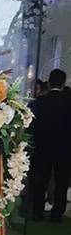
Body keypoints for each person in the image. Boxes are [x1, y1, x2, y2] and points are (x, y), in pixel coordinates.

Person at [31, 67, 71, 223]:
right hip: (64, 149)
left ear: (48, 82)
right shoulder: (68, 103)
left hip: (43, 147)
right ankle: (57, 214)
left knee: (41, 180)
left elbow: (34, 126)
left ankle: (37, 212)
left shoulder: (40, 102)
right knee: (61, 182)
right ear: (63, 83)